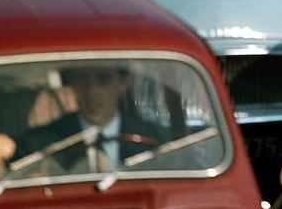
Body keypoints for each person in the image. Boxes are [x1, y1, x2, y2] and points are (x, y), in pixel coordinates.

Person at [9, 63, 167, 173]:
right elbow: (15, 158)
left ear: (123, 83)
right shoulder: (45, 140)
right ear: (73, 84)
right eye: (82, 80)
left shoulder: (155, 138)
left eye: (103, 80)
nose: (91, 91)